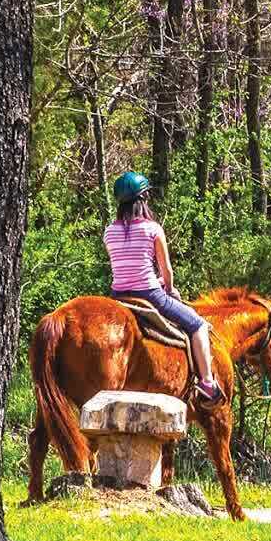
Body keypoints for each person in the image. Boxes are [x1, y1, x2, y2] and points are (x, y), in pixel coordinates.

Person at [103, 171, 223, 405]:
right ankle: (207, 383)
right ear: (143, 199)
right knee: (197, 325)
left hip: (118, 295)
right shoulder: (153, 229)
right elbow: (166, 270)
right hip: (150, 294)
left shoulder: (109, 232)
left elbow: (124, 266)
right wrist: (169, 288)